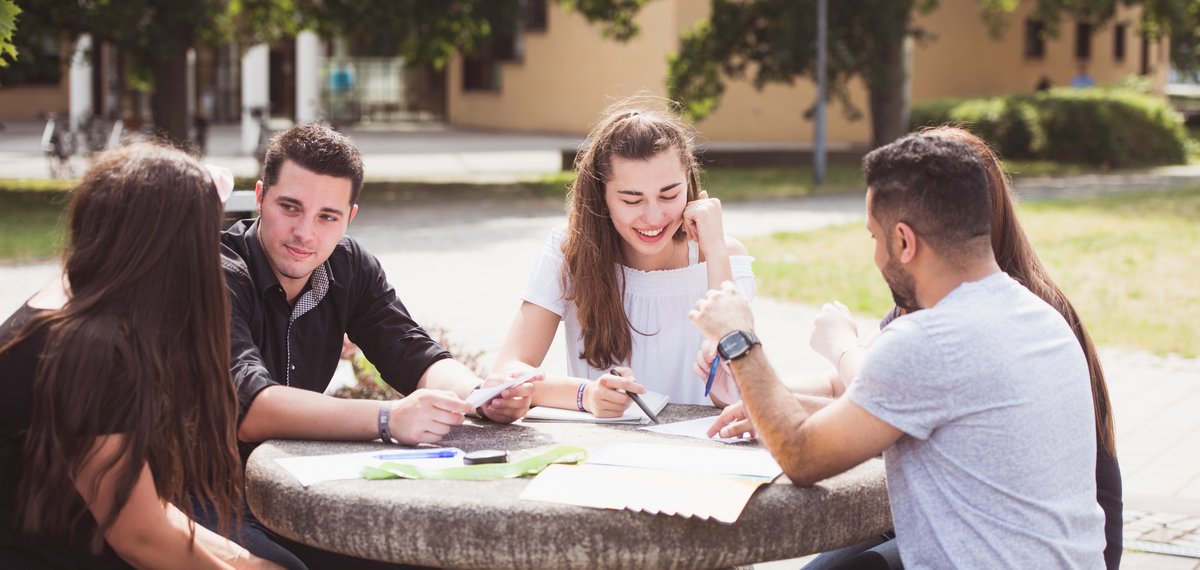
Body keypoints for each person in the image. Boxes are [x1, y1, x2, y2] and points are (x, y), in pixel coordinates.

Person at [708, 126, 1123, 569]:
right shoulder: (1043, 316)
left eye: (874, 237)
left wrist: (738, 336)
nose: (874, 256)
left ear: (904, 241)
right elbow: (921, 416)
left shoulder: (928, 341)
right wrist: (785, 407)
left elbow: (802, 458)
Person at [216, 123, 535, 568]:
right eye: (290, 207)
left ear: (350, 218)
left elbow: (410, 351)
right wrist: (388, 418)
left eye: (327, 216)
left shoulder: (349, 267)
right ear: (259, 198)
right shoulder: (218, 270)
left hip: (299, 486)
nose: (305, 232)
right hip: (209, 494)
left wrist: (482, 396)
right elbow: (247, 409)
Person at [0, 143, 277, 568]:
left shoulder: (70, 304)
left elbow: (144, 506)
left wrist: (246, 561)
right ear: (171, 249)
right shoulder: (89, 352)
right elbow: (140, 535)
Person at [491, 104, 755, 416]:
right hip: (602, 452)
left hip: (701, 450)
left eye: (669, 195)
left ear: (689, 183)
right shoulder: (570, 251)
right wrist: (585, 395)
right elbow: (507, 371)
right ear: (601, 197)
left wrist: (715, 252)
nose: (653, 217)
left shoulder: (724, 255)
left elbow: (741, 391)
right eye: (632, 200)